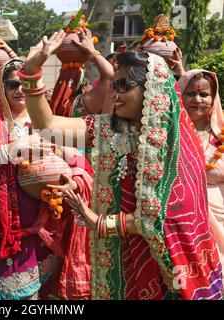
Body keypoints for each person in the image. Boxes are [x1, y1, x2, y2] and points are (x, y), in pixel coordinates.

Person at [19, 30, 223, 299]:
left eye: (123, 86)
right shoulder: (109, 129)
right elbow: (48, 126)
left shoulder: (176, 142)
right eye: (113, 85)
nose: (114, 94)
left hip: (172, 265)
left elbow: (169, 215)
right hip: (122, 259)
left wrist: (99, 222)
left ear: (151, 88)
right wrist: (32, 72)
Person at [0, 58, 92, 299]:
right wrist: (10, 149)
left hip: (46, 224)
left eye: (23, 85)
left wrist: (72, 177)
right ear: (1, 87)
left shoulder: (46, 123)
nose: (19, 90)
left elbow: (78, 160)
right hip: (0, 225)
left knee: (39, 294)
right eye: (12, 85)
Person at [179, 69, 224, 281]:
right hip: (183, 222)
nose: (197, 100)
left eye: (204, 94)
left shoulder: (221, 134)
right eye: (190, 94)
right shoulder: (169, 134)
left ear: (213, 97)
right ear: (179, 94)